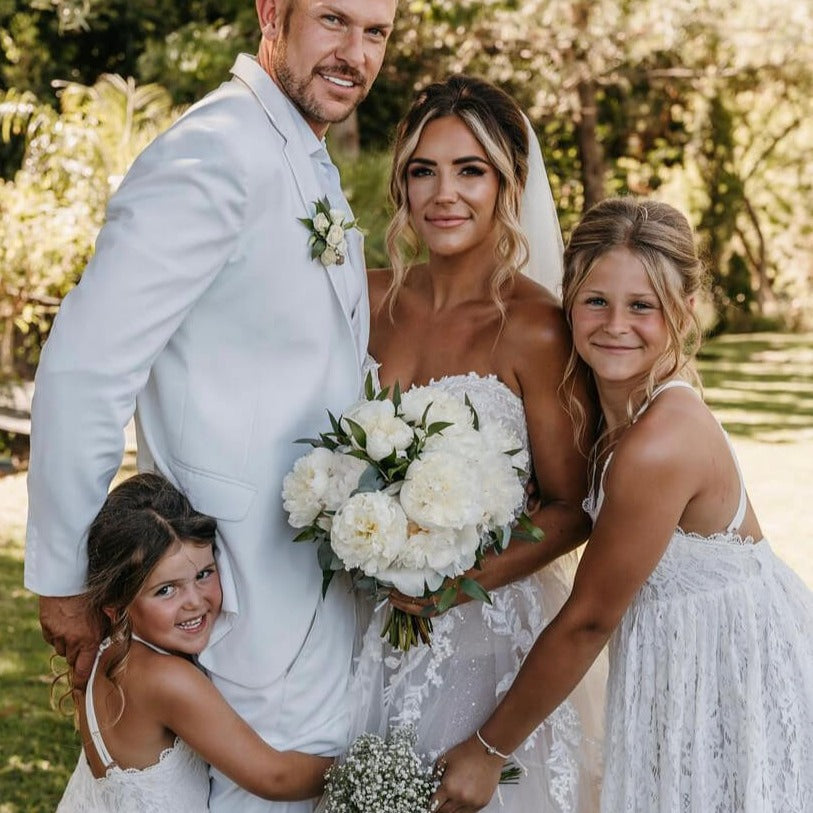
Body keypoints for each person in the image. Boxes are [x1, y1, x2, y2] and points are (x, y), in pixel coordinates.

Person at [24, 1, 397, 810]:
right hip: (227, 592)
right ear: (271, 10)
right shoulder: (212, 150)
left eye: (376, 33)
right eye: (334, 19)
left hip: (313, 589)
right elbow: (88, 365)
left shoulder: (304, 157)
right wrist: (63, 577)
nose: (354, 53)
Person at [431, 197, 813, 813]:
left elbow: (589, 619)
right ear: (570, 303)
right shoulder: (607, 412)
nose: (615, 325)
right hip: (680, 662)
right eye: (596, 302)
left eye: (643, 306)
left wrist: (486, 750)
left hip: (730, 671)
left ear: (684, 313)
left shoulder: (660, 441)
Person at [349, 75, 606, 813]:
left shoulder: (537, 325)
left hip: (484, 642)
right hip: (357, 626)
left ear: (507, 183)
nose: (442, 194)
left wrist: (449, 586)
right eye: (422, 170)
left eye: (470, 170)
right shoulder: (363, 301)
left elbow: (570, 506)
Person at [57, 473, 333, 811]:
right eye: (166, 590)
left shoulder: (106, 654)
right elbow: (273, 777)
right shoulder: (166, 679)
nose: (194, 601)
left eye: (203, 574)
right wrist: (363, 767)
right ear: (117, 607)